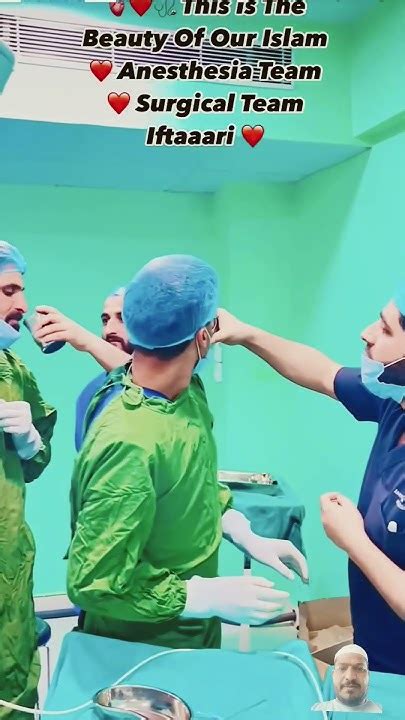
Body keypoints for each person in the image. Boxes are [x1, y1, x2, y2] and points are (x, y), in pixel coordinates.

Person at [66, 255, 308, 650]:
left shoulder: (187, 393)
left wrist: (242, 531)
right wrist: (199, 596)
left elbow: (193, 482)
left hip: (194, 637)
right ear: (202, 339)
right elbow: (93, 582)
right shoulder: (128, 443)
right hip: (137, 649)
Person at [211, 297, 405, 675]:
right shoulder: (394, 405)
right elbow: (323, 372)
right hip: (376, 656)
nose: (366, 333)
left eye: (385, 329)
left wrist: (355, 541)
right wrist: (247, 334)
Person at [0, 242, 57, 719]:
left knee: (15, 688)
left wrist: (30, 442)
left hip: (10, 564)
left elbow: (37, 464)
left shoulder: (15, 372)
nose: (22, 305)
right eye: (8, 291)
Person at [29, 290, 131, 449]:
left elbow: (147, 382)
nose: (109, 330)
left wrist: (86, 340)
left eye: (123, 319)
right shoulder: (93, 392)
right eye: (105, 321)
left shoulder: (171, 381)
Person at [312, 645, 382, 713]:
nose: (350, 677)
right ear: (333, 675)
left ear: (368, 675)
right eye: (342, 668)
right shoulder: (319, 710)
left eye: (359, 668)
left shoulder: (380, 711)